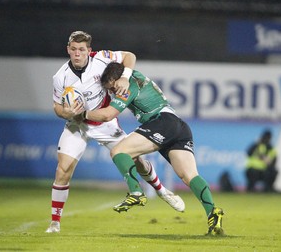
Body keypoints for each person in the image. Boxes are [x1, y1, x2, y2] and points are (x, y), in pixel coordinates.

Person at [47, 31, 185, 233]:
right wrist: (65, 112)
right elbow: (57, 107)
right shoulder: (60, 77)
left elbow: (130, 56)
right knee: (63, 170)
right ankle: (55, 223)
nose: (77, 54)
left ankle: (162, 191)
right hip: (77, 125)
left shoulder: (102, 58)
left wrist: (125, 78)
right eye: (74, 49)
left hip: (106, 124)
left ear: (89, 51)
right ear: (68, 49)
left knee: (136, 160)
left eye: (82, 50)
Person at [75, 62, 225, 235]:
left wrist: (80, 114)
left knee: (118, 151)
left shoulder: (128, 84)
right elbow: (128, 57)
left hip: (162, 122)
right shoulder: (132, 76)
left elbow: (108, 115)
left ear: (117, 79)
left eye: (113, 87)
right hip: (179, 126)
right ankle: (213, 212)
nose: (114, 92)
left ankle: (136, 192)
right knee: (189, 176)